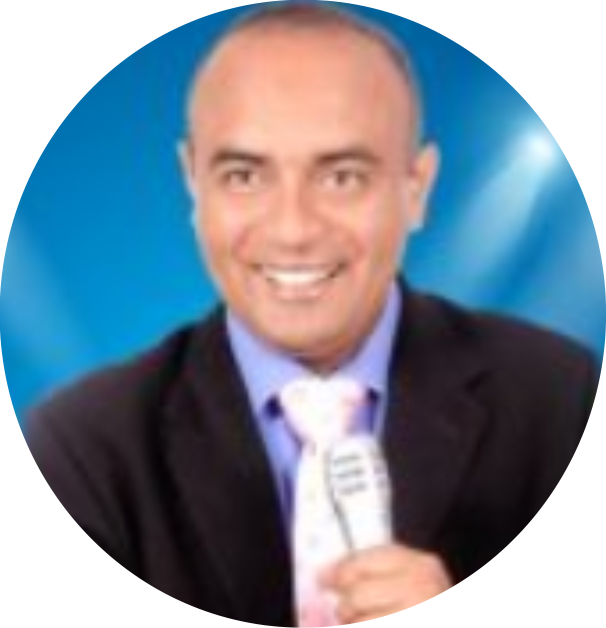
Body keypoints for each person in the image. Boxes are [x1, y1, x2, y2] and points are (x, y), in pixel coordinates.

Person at [26, 3, 599, 626]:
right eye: (244, 176)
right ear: (194, 183)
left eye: (342, 177)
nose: (293, 230)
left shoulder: (566, 401)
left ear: (416, 188)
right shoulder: (79, 449)